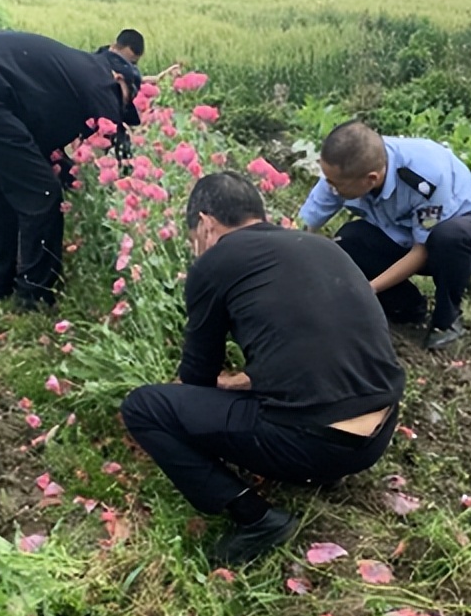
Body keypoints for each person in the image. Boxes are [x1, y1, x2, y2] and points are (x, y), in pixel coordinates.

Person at [120, 172, 406, 566]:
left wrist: (191, 401)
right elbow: (316, 339)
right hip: (377, 434)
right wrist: (247, 380)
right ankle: (321, 471)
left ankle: (256, 518)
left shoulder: (216, 261)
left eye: (192, 240)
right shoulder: (323, 248)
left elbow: (198, 378)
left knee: (144, 407)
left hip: (315, 444)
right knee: (266, 402)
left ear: (205, 224)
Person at [0, 30, 142, 310]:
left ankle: (0, 286)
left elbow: (37, 147)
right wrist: (129, 184)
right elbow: (113, 140)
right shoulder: (101, 78)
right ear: (119, 79)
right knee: (42, 193)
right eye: (125, 100)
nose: (120, 108)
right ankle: (33, 297)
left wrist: (68, 172)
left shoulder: (67, 73)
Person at [298, 120, 471, 350]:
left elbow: (422, 250)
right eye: (329, 182)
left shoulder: (424, 175)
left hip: (464, 236)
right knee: (350, 240)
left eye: (337, 186)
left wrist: (368, 289)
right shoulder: (346, 168)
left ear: (371, 179)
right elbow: (308, 223)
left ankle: (447, 321)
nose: (332, 189)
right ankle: (408, 307)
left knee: (448, 238)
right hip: (402, 234)